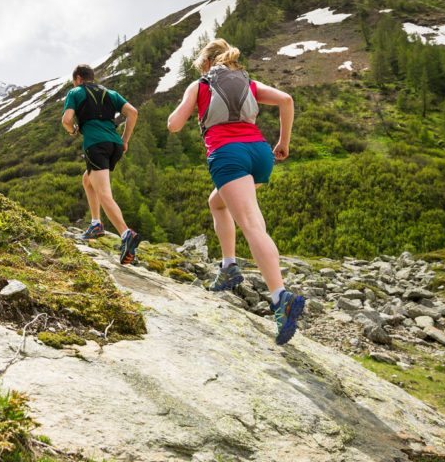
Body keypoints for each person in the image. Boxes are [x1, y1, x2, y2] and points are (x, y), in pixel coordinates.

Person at [166, 38, 305, 345]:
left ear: (206, 63)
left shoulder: (200, 85)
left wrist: (186, 109)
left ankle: (281, 297)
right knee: (217, 203)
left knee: (252, 224)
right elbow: (287, 100)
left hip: (228, 154)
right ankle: (229, 266)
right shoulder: (249, 82)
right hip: (260, 153)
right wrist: (283, 142)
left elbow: (174, 125)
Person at [62, 64, 142, 265]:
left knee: (104, 193)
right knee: (88, 180)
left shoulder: (76, 92)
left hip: (95, 145)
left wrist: (72, 131)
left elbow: (66, 119)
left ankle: (126, 234)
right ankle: (96, 224)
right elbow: (133, 113)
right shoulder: (110, 93)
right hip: (114, 144)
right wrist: (125, 139)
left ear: (78, 78)